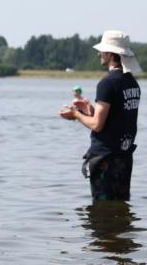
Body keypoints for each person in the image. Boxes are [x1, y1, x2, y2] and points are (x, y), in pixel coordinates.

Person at [60, 30, 141, 201]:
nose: (99, 54)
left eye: (102, 50)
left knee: (102, 210)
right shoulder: (132, 82)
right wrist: (89, 110)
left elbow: (97, 125)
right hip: (124, 157)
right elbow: (117, 117)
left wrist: (76, 114)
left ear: (111, 54)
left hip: (105, 159)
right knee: (121, 206)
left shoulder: (107, 83)